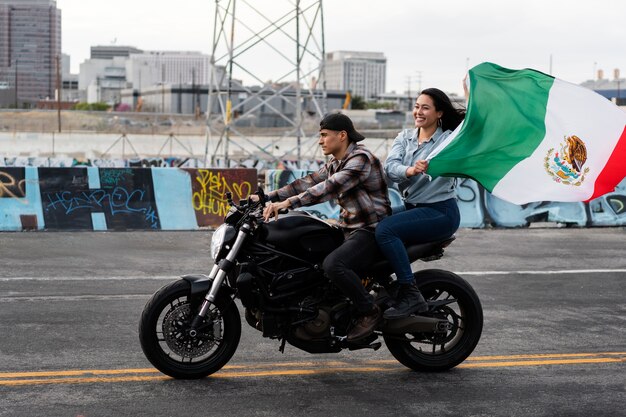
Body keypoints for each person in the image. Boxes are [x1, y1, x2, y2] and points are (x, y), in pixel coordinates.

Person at [260, 112, 392, 341]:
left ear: (342, 136)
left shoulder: (361, 159)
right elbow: (307, 182)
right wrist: (265, 197)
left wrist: (287, 204)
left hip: (370, 229)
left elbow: (327, 188)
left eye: (324, 135)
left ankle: (369, 311)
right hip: (348, 228)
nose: (320, 141)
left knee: (333, 264)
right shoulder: (336, 163)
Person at [375, 88, 465, 319]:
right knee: (371, 222)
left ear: (439, 113)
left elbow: (471, 126)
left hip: (440, 211)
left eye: (425, 107)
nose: (419, 111)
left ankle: (410, 292)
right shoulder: (404, 137)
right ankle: (382, 285)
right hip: (412, 207)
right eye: (417, 106)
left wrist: (468, 92)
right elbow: (390, 168)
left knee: (386, 230)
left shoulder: (448, 141)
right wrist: (410, 170)